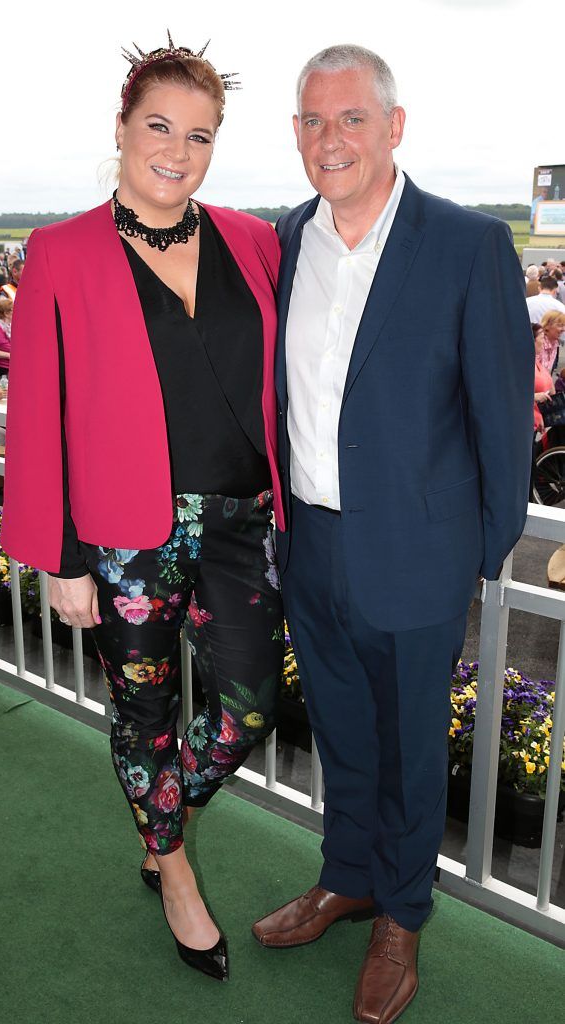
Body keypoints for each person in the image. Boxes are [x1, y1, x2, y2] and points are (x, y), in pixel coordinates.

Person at [252, 44, 533, 1024]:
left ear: (393, 126)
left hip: (420, 558)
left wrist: (475, 556)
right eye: (313, 121)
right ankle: (351, 878)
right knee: (343, 731)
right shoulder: (285, 240)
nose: (331, 139)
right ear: (296, 134)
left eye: (351, 119)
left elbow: (505, 424)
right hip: (314, 548)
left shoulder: (467, 245)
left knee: (415, 748)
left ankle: (401, 914)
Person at [0, 33, 286, 984]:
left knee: (250, 704)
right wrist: (62, 558)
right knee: (145, 714)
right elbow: (38, 414)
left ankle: (164, 819)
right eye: (159, 126)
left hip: (242, 518)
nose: (178, 149)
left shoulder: (251, 240)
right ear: (121, 129)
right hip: (120, 534)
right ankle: (173, 871)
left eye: (200, 135)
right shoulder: (60, 251)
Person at [539, 309, 565, 373]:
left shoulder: (555, 343)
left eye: (564, 325)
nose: (563, 329)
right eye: (559, 325)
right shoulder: (539, 344)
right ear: (547, 326)